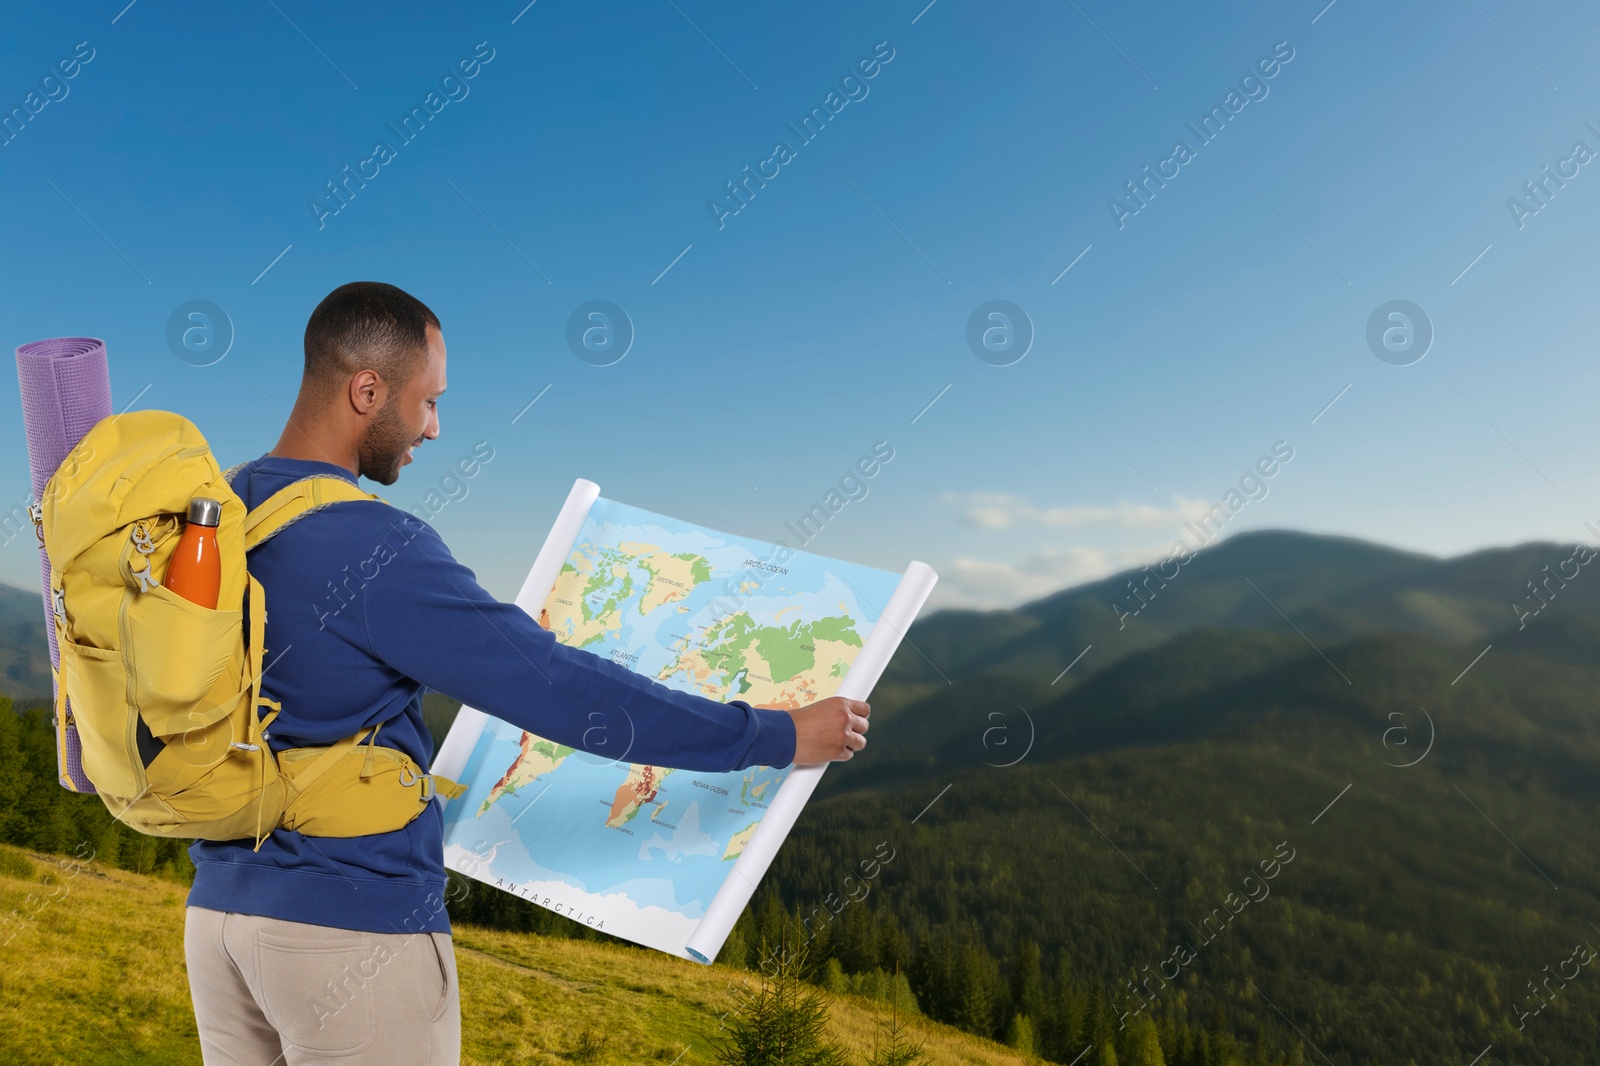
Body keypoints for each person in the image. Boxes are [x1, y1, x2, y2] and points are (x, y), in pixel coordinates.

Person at [182, 280, 870, 1065]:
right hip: (350, 933)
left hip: (219, 926)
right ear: (366, 390)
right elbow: (566, 692)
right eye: (427, 401)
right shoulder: (372, 544)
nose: (434, 428)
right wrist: (774, 734)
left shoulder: (219, 513)